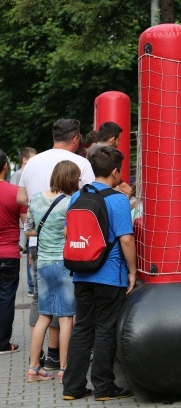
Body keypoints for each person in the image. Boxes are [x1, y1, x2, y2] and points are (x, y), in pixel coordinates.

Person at [17, 118, 95, 373]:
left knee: (41, 305)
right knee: (67, 311)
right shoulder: (81, 163)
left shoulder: (33, 162)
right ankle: (62, 364)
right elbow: (91, 199)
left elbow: (21, 200)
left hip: (38, 246)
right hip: (67, 252)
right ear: (75, 139)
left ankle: (36, 361)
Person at [63, 145, 136, 401]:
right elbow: (126, 239)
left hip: (81, 272)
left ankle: (72, 387)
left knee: (82, 328)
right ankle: (104, 388)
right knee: (105, 329)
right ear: (115, 171)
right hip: (109, 275)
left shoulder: (76, 197)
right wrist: (133, 271)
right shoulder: (118, 200)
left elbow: (68, 233)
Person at [26, 161, 80, 383]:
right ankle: (64, 370)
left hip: (43, 263)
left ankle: (33, 369)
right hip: (62, 263)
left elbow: (29, 229)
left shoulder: (36, 198)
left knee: (44, 316)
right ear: (70, 179)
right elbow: (71, 232)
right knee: (66, 317)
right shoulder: (70, 202)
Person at [0, 149, 27, 356]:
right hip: (9, 253)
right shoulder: (16, 192)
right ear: (5, 166)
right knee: (7, 297)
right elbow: (28, 226)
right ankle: (3, 343)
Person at [9, 147, 36, 295]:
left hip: (25, 219)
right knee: (25, 250)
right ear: (25, 159)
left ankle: (31, 285)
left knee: (29, 251)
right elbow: (16, 198)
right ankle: (31, 285)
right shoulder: (19, 174)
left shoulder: (26, 173)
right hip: (22, 220)